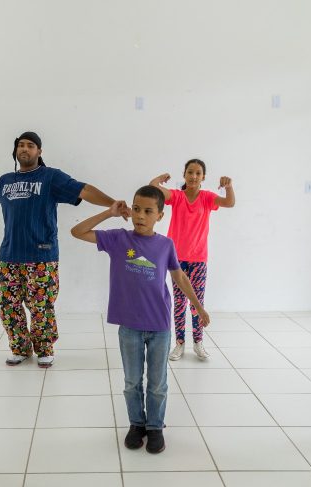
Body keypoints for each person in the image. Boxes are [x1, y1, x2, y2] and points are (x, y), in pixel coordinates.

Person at [71, 185, 209, 453]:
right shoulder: (118, 239)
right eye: (136, 209)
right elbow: (77, 232)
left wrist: (198, 307)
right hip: (129, 328)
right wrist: (109, 212)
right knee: (132, 382)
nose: (140, 216)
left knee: (157, 384)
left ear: (160, 214)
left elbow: (179, 277)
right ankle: (137, 423)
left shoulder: (165, 244)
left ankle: (155, 426)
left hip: (159, 327)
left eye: (148, 211)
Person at [0, 131, 124, 368]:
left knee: (40, 306)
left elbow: (83, 190)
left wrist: (112, 204)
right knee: (7, 306)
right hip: (8, 256)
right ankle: (20, 348)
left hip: (41, 256)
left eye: (30, 145)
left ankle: (44, 348)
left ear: (39, 151)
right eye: (21, 145)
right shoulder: (5, 181)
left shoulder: (50, 177)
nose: (24, 149)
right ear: (16, 151)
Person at [149, 159, 235, 360]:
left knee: (197, 303)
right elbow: (153, 189)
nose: (194, 176)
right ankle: (179, 343)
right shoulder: (177, 197)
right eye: (190, 172)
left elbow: (229, 203)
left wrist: (229, 186)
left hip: (198, 259)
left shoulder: (206, 198)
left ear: (203, 177)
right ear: (184, 175)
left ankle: (198, 342)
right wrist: (160, 179)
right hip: (176, 259)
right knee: (179, 302)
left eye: (198, 173)